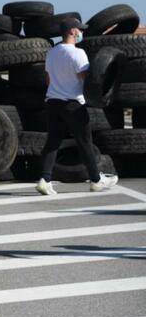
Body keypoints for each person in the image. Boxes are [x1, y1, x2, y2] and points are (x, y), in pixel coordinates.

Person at [36, 16, 119, 195]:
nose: (81, 32)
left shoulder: (52, 52)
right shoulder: (78, 53)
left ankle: (44, 179)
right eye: (79, 30)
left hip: (52, 102)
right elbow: (87, 80)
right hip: (73, 104)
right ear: (72, 31)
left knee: (52, 142)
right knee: (85, 142)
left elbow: (49, 79)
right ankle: (96, 180)